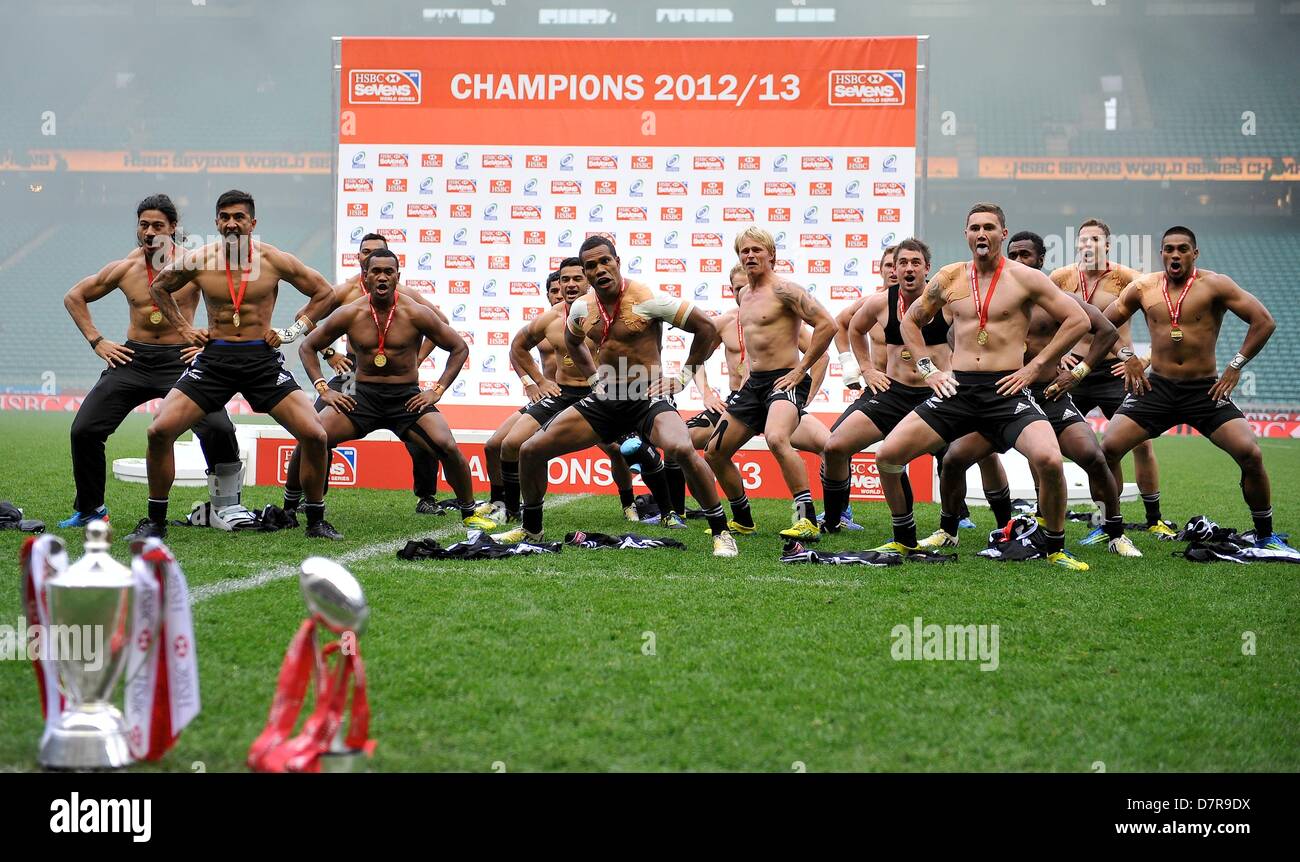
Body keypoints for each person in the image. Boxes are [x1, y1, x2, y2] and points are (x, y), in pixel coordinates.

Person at [872, 203, 1092, 570]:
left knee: (1050, 460)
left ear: (1002, 234)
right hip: (958, 390)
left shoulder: (1025, 277)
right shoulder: (949, 277)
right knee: (887, 456)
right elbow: (911, 322)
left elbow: (1078, 319)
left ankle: (1054, 546)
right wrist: (929, 371)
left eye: (989, 227)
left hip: (1006, 389)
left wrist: (1035, 366)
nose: (981, 234)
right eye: (974, 227)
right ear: (966, 235)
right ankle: (905, 539)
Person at [495, 235, 739, 557]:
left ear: (617, 262)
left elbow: (706, 328)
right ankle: (532, 529)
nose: (599, 270)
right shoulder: (583, 308)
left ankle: (721, 532)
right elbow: (573, 340)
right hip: (607, 397)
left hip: (646, 395)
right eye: (591, 266)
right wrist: (594, 378)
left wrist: (682, 378)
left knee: (681, 448)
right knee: (530, 449)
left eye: (604, 261)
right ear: (586, 272)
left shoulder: (647, 299)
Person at [134, 189, 338, 540]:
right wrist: (184, 329)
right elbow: (160, 288)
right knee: (159, 431)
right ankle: (155, 522)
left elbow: (325, 293)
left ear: (252, 223)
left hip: (261, 360)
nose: (231, 223)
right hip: (214, 360)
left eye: (238, 217)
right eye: (225, 217)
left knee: (315, 435)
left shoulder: (273, 259)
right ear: (216, 222)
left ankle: (316, 522)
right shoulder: (200, 259)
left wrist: (292, 331)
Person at [61, 194, 255, 531]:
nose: (150, 232)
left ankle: (226, 507)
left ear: (173, 228)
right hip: (133, 359)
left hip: (181, 359)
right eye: (144, 225)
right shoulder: (124, 268)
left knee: (219, 428)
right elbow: (74, 296)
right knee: (84, 430)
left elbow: (230, 306)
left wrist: (207, 343)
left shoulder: (193, 263)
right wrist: (98, 341)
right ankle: (91, 509)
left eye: (158, 225)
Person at [1102, 226, 1291, 551]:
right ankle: (1113, 532)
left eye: (1182, 249)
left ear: (1194, 253)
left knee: (1251, 454)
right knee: (1107, 449)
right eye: (1169, 249)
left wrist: (1235, 365)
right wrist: (1127, 355)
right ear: (1161, 253)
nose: (1175, 255)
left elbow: (1264, 321)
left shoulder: (1215, 284)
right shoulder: (1144, 287)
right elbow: (1104, 322)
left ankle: (1265, 534)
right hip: (1156, 388)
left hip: (1205, 391)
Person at [925, 276, 1142, 556]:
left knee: (1093, 457)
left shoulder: (1061, 301)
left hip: (1050, 396)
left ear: (1039, 262)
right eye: (1015, 255)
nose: (1020, 261)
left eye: (1026, 254)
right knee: (954, 459)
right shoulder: (991, 306)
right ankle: (948, 531)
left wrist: (1078, 373)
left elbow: (1107, 332)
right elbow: (954, 333)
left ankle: (1115, 534)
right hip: (1002, 400)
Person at [292, 249, 492, 534]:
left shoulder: (416, 313)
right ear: (366, 276)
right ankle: (311, 517)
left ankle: (469, 513)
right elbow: (307, 346)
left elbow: (459, 347)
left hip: (405, 399)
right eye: (376, 271)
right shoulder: (351, 313)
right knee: (315, 436)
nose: (382, 277)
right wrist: (323, 388)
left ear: (398, 277)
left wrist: (437, 390)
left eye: (389, 271)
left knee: (446, 446)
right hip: (361, 396)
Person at [277, 232, 446, 514]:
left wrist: (417, 358)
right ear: (359, 259)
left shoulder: (405, 296)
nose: (370, 256)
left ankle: (427, 497)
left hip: (396, 381)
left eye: (377, 252)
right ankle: (297, 500)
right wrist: (330, 355)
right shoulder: (345, 292)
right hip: (351, 376)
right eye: (366, 252)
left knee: (425, 434)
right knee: (314, 431)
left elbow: (442, 323)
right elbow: (303, 318)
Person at [481, 260, 654, 525]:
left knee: (619, 451)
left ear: (588, 281)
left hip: (597, 397)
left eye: (577, 279)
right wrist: (536, 381)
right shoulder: (550, 318)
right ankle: (511, 509)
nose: (570, 285)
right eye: (565, 280)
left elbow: (631, 349)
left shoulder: (606, 313)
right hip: (561, 394)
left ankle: (630, 503)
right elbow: (517, 346)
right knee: (509, 444)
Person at [703, 227, 836, 539]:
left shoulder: (785, 290)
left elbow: (828, 325)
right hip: (754, 385)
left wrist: (802, 370)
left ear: (771, 255)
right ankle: (744, 520)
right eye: (744, 251)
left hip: (785, 380)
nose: (750, 255)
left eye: (757, 250)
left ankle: (805, 519)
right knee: (714, 452)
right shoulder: (745, 296)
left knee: (777, 438)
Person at [1049, 218, 1172, 538]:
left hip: (1116, 370)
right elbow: (1043, 320)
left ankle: (1154, 517)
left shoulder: (1128, 279)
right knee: (1049, 439)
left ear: (1107, 245)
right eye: (1082, 240)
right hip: (1073, 371)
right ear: (1076, 245)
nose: (1087, 245)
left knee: (1141, 444)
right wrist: (1056, 352)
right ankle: (1102, 521)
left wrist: (1143, 359)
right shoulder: (1060, 278)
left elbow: (1166, 320)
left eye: (1094, 240)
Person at [821, 238, 950, 533]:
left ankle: (953, 524)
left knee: (960, 457)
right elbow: (852, 327)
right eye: (900, 263)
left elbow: (969, 335)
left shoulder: (946, 301)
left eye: (914, 263)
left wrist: (954, 373)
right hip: (894, 392)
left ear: (927, 269)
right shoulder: (880, 301)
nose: (906, 269)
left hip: (936, 394)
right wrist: (864, 369)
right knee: (834, 446)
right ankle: (834, 520)